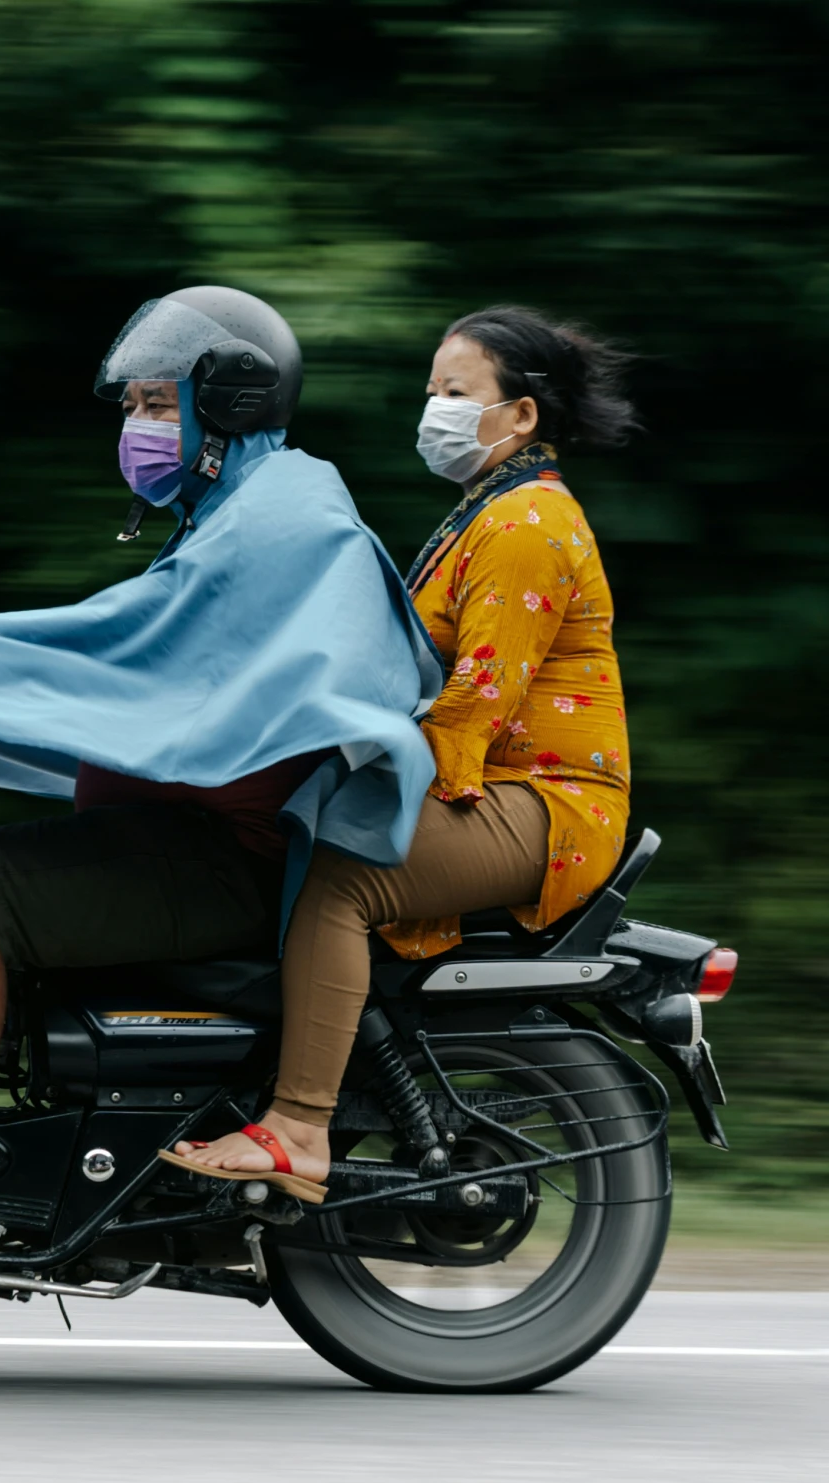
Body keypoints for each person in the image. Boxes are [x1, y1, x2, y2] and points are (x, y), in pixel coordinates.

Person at [0, 286, 388, 1237]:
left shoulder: (275, 521)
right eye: (132, 409)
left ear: (223, 403)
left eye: (153, 405)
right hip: (187, 833)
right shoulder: (234, 512)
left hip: (229, 855)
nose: (134, 431)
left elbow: (116, 653)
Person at [167, 305, 641, 1193]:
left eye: (455, 393)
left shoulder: (526, 525)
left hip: (546, 804)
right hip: (498, 784)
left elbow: (475, 706)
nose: (434, 410)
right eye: (432, 392)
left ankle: (298, 1127)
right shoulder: (486, 511)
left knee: (345, 874)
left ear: (522, 415)